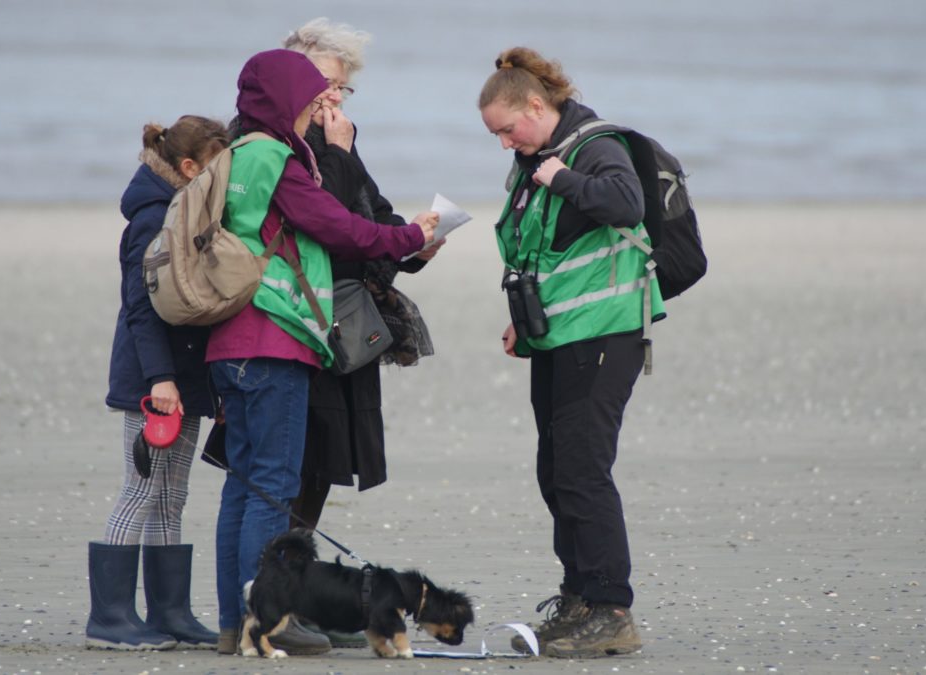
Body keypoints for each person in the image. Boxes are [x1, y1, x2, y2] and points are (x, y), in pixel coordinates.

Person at [206, 49, 437, 655]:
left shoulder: (235, 155)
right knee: (274, 487)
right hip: (273, 338)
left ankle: (236, 623)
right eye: (312, 99)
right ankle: (262, 624)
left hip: (230, 341)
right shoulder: (276, 158)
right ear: (286, 102)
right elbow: (335, 226)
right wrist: (410, 237)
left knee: (244, 487)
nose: (322, 108)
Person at [479, 47, 664, 659]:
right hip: (559, 334)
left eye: (508, 129)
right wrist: (521, 320)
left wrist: (561, 177)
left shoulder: (593, 146)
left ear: (538, 105)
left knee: (583, 469)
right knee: (556, 469)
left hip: (606, 333)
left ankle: (612, 609)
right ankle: (580, 597)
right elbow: (540, 251)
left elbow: (626, 204)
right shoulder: (537, 155)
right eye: (495, 135)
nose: (505, 143)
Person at [282, 19, 442, 537]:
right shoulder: (280, 140)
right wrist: (338, 151)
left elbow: (373, 214)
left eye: (342, 87)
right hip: (301, 312)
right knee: (297, 460)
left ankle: (292, 581)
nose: (334, 97)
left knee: (328, 462)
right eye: (325, 84)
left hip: (349, 311)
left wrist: (416, 243)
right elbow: (326, 221)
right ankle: (275, 587)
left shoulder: (337, 135)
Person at [86, 116, 227, 650]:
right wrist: (161, 380)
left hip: (187, 374)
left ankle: (169, 611)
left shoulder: (190, 207)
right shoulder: (151, 218)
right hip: (151, 377)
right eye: (215, 168)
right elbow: (140, 310)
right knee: (141, 488)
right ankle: (110, 615)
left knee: (173, 495)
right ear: (189, 168)